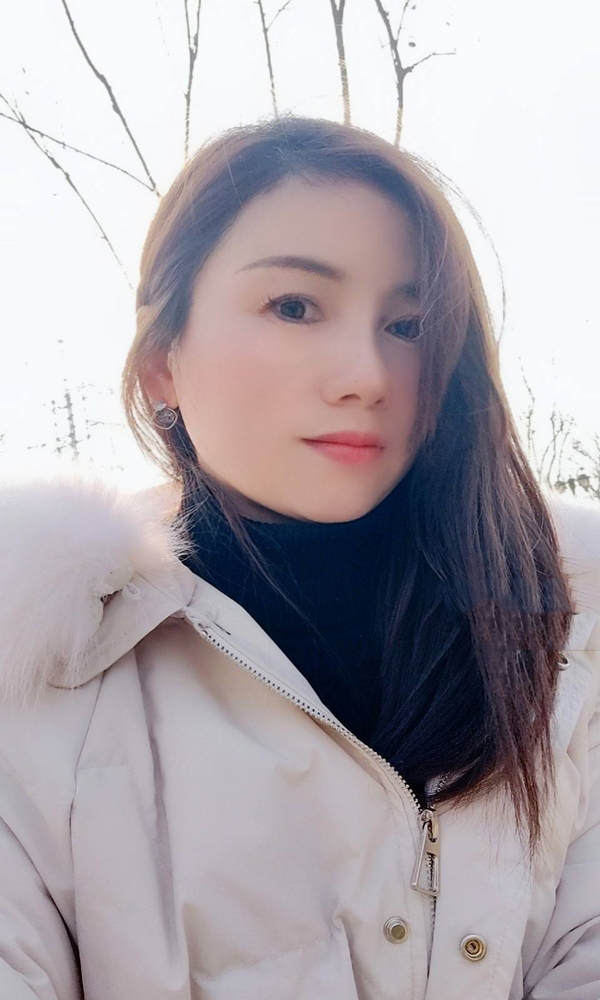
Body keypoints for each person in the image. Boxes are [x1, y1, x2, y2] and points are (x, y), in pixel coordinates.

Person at [0, 115, 598, 1000]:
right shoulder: (37, 667)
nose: (368, 375)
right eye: (294, 307)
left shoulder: (568, 635)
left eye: (409, 323)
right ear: (163, 359)